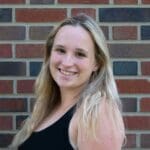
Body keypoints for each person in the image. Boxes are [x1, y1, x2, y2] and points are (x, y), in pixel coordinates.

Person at [10, 13, 125, 150]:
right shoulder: (46, 107)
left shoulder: (97, 112)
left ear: (97, 63)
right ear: (50, 54)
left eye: (80, 54)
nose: (67, 62)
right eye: (61, 50)